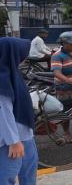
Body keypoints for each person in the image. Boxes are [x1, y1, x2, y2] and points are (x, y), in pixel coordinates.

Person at [0, 38, 38, 185]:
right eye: (21, 55)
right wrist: (14, 142)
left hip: (24, 134)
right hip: (10, 140)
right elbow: (3, 111)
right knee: (7, 175)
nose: (23, 59)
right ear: (12, 54)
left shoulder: (11, 72)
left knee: (29, 170)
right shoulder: (2, 78)